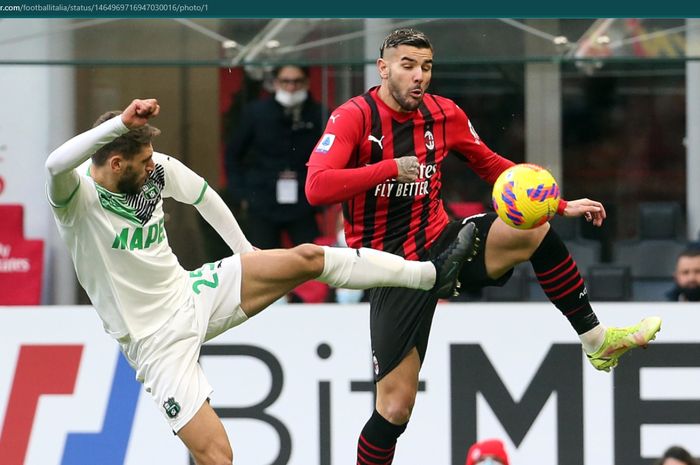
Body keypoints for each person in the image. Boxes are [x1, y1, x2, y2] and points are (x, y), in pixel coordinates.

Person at [44, 98, 477, 465]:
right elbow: (54, 163)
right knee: (218, 457)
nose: (152, 165)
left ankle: (431, 275)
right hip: (154, 341)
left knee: (306, 258)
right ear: (115, 163)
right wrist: (121, 122)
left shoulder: (154, 170)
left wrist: (244, 251)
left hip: (192, 293)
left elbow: (201, 195)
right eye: (141, 162)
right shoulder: (75, 199)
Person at [304, 28, 662, 465]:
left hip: (443, 242)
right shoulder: (352, 117)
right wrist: (387, 169)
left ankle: (597, 339)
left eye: (427, 67)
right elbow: (316, 187)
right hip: (387, 269)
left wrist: (560, 203)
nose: (420, 76)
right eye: (408, 65)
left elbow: (493, 166)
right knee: (395, 409)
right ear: (383, 68)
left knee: (531, 231)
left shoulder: (444, 114)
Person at [225, 64, 326, 249]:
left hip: (303, 200)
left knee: (312, 257)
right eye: (285, 81)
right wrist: (242, 195)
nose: (291, 87)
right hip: (263, 199)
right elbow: (233, 154)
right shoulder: (256, 113)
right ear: (276, 83)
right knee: (263, 260)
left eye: (297, 81)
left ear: (306, 83)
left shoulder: (319, 114)